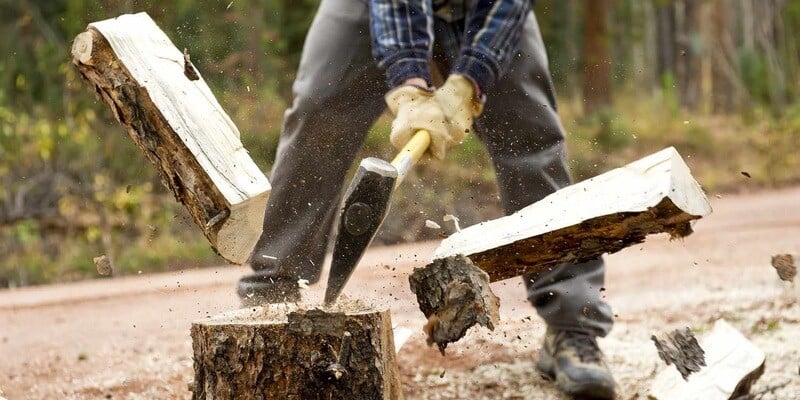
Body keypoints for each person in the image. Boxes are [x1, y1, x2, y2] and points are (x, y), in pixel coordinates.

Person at [237, 0, 615, 397]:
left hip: (488, 10)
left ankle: (573, 328)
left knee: (531, 133)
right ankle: (270, 296)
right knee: (319, 110)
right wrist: (408, 86)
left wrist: (471, 80)